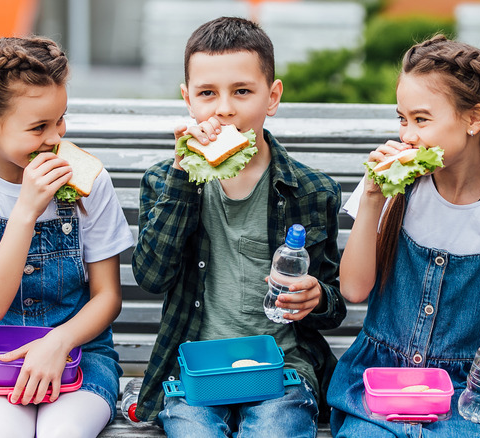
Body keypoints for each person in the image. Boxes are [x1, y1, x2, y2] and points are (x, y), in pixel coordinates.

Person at [327, 34, 480, 437]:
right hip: (383, 384)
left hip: (465, 389)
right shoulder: (390, 187)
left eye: (421, 119)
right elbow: (353, 289)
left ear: (473, 120)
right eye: (402, 119)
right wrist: (370, 198)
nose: (407, 135)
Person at [131, 16, 347, 437]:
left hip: (282, 369)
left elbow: (333, 307)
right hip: (196, 370)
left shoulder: (312, 191)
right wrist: (182, 173)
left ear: (273, 96)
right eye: (207, 93)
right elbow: (152, 278)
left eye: (242, 91)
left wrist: (316, 297)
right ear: (188, 99)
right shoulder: (164, 180)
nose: (224, 108)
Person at [0, 36, 134, 438]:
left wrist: (59, 342)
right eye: (39, 127)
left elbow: (108, 297)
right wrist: (26, 211)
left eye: (60, 119)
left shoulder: (90, 182)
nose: (56, 137)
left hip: (79, 353)